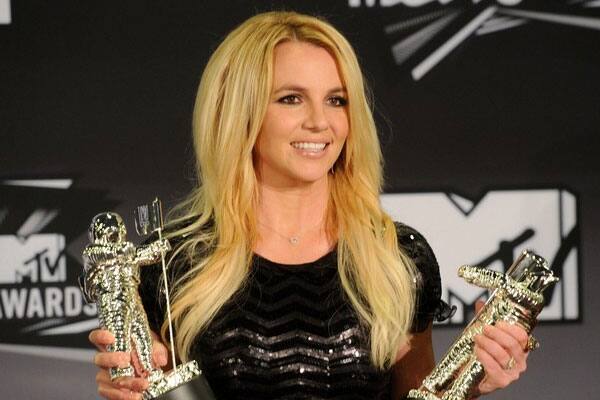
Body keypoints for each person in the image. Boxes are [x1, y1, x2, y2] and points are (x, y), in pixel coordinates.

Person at [89, 11, 530, 400]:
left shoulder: (397, 257)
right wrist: (126, 391)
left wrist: (473, 380)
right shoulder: (171, 262)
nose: (320, 122)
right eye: (290, 98)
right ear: (238, 112)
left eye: (336, 100)